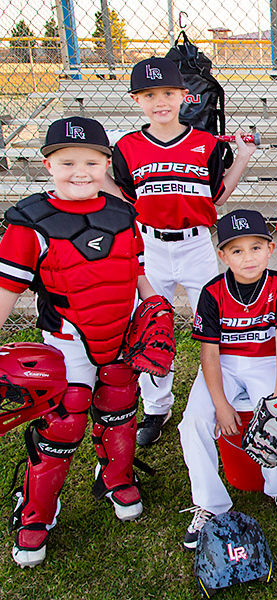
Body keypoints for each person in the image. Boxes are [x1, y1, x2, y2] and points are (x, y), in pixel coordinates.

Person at [0, 117, 160, 567]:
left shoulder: (123, 213)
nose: (80, 171)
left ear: (107, 164)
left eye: (92, 161)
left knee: (120, 408)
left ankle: (115, 475)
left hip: (122, 333)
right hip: (67, 339)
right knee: (64, 423)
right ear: (47, 163)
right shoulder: (29, 222)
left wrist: (155, 309)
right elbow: (7, 290)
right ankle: (35, 513)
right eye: (67, 162)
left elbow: (137, 271)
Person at [110, 56, 257, 447]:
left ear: (184, 96)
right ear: (137, 100)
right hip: (150, 247)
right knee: (149, 328)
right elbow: (123, 196)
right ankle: (156, 406)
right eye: (149, 94)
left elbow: (218, 195)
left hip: (195, 246)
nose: (160, 101)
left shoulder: (205, 143)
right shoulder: (127, 147)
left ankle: (222, 398)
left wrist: (241, 156)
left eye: (168, 93)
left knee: (217, 325)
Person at [177, 209, 277, 550]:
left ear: (270, 248)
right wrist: (220, 404)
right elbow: (210, 354)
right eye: (236, 250)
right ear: (222, 255)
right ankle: (210, 503)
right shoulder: (212, 291)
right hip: (226, 365)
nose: (248, 257)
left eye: (255, 247)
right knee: (194, 421)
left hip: (266, 362)